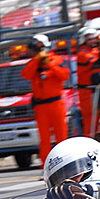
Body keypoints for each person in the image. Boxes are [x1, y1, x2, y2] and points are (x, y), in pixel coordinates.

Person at [20, 34, 71, 166]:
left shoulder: (57, 59)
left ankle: (64, 163)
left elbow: (64, 75)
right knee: (44, 138)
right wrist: (37, 60)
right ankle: (46, 166)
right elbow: (26, 74)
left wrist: (50, 66)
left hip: (56, 103)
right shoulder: (34, 62)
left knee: (61, 135)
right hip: (40, 105)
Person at [75, 27, 99, 136]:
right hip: (87, 92)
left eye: (93, 38)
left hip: (96, 89)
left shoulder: (95, 50)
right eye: (89, 39)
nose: (92, 41)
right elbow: (95, 61)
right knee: (90, 121)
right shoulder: (82, 54)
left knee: (97, 120)